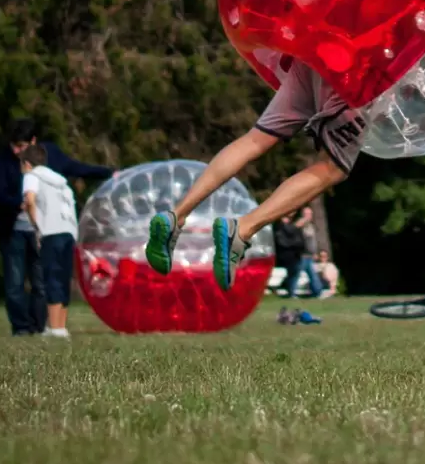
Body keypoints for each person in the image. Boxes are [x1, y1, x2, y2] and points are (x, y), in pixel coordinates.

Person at [145, 60, 364, 293]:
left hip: (311, 56)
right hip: (355, 69)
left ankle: (177, 215)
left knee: (256, 139)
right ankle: (242, 229)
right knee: (332, 167)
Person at [0, 118, 113, 335]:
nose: (17, 152)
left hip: (44, 230)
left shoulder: (43, 161)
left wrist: (107, 173)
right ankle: (22, 328)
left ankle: (41, 326)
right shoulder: (5, 161)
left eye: (22, 146)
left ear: (34, 142)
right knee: (16, 282)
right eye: (13, 146)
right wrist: (17, 204)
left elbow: (76, 168)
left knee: (44, 281)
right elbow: (0, 194)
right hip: (17, 230)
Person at [20, 146, 80, 339]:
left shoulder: (31, 176)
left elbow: (30, 200)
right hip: (69, 231)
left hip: (51, 232)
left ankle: (54, 328)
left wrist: (35, 225)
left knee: (51, 277)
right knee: (63, 278)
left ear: (27, 163)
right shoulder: (60, 181)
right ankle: (60, 326)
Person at [291, 207, 326, 297]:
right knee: (296, 274)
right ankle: (292, 293)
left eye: (310, 214)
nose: (309, 216)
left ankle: (318, 292)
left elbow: (313, 242)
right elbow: (295, 227)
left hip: (310, 255)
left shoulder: (311, 226)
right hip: (301, 255)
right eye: (307, 214)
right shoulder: (300, 224)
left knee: (313, 275)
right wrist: (304, 219)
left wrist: (315, 253)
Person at [271, 214, 306, 298]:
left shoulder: (294, 229)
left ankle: (290, 291)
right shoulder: (279, 229)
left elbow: (300, 242)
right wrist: (295, 244)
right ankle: (291, 291)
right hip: (286, 256)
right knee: (292, 273)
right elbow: (282, 243)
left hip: (295, 255)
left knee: (293, 273)